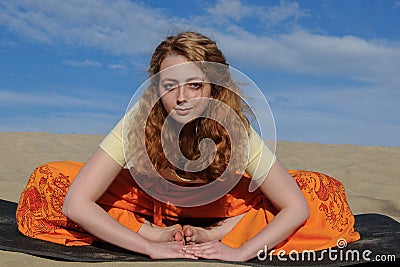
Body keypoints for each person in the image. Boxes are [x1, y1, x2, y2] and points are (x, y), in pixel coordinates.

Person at [16, 31, 360, 261]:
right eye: (170, 85)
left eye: (194, 85)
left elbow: (295, 207)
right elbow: (78, 203)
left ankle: (224, 232)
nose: (181, 98)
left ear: (213, 87)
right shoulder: (138, 118)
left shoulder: (235, 125)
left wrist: (239, 252)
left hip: (224, 208)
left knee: (319, 193)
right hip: (147, 205)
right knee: (50, 183)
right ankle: (159, 231)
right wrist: (148, 245)